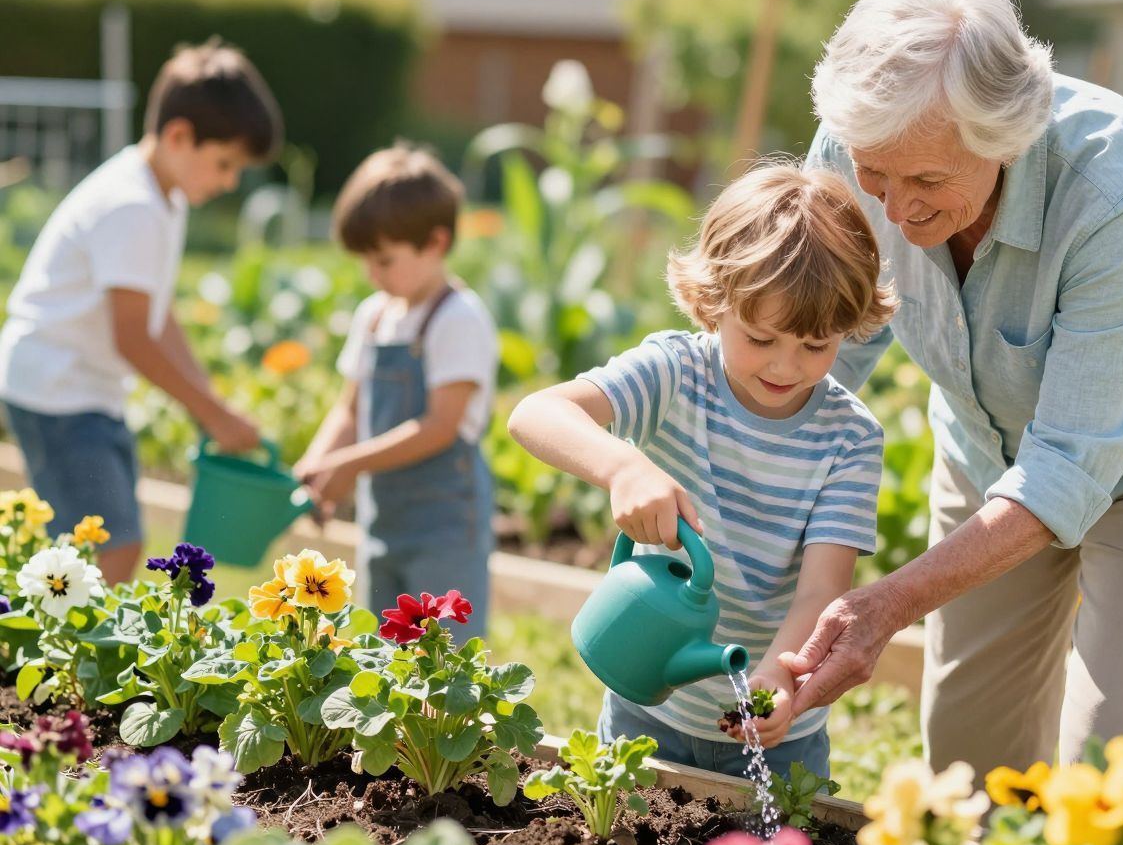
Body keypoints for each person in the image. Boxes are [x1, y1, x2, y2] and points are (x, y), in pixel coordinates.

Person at [783, 0, 1123, 788]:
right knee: (972, 757)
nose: (894, 212)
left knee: (1119, 768)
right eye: (877, 176)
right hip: (987, 443)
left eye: (928, 181)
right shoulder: (856, 141)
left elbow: (1069, 468)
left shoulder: (1116, 185)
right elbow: (826, 335)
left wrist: (889, 602)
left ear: (1005, 138)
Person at [507, 164, 894, 779]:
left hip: (780, 732)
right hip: (650, 708)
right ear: (715, 304)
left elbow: (821, 591)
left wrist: (776, 676)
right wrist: (622, 465)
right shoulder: (676, 373)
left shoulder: (850, 438)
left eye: (816, 345)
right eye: (762, 338)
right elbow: (535, 413)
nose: (786, 366)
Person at [0, 39, 282, 584]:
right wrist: (212, 415)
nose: (228, 182)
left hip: (81, 390)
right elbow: (133, 338)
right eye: (225, 163)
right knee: (110, 548)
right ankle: (75, 664)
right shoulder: (132, 206)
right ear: (179, 135)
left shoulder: (161, 196)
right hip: (58, 391)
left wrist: (212, 402)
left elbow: (157, 315)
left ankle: (73, 657)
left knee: (102, 544)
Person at [295, 145, 499, 643]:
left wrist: (350, 465)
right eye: (366, 260)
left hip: (444, 525)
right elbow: (351, 408)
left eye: (385, 259)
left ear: (436, 242)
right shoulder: (375, 316)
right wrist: (317, 463)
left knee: (442, 655)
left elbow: (439, 428)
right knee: (387, 650)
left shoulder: (457, 319)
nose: (373, 274)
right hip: (383, 519)